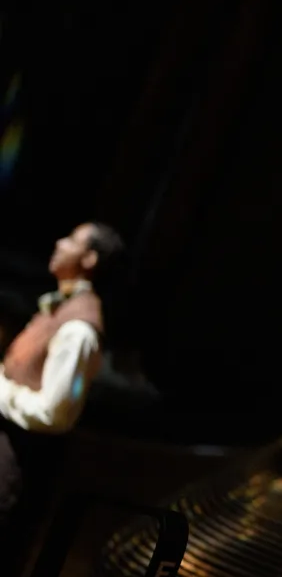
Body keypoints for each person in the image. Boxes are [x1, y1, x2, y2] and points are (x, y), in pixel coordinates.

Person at [0, 222, 125, 570]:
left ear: (89, 258)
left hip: (18, 466)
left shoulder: (78, 328)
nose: (59, 242)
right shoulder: (57, 307)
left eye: (71, 240)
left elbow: (55, 414)